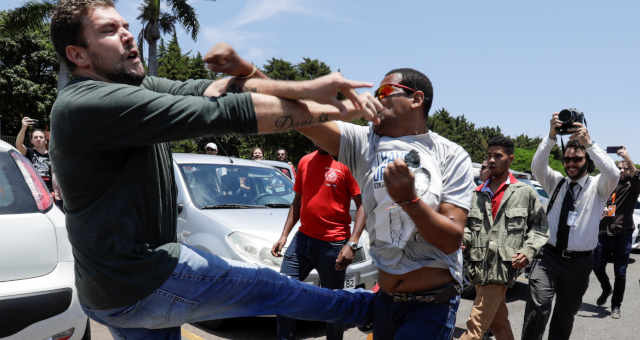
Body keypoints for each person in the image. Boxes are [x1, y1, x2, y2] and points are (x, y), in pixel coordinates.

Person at [48, 1, 381, 339]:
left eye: (124, 26)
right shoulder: (87, 105)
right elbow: (221, 112)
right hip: (140, 282)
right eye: (108, 30)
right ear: (78, 55)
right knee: (268, 286)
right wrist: (333, 109)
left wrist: (282, 82)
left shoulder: (133, 88)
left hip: (114, 289)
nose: (127, 36)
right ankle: (372, 309)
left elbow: (209, 90)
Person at [521, 113, 619, 340]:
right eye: (567, 160)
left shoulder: (599, 187)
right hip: (548, 257)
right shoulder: (556, 182)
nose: (571, 164)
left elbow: (613, 173)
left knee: (564, 316)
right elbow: (537, 167)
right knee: (538, 308)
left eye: (577, 159)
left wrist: (590, 144)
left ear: (588, 161)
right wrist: (551, 137)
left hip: (579, 263)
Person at [271, 147, 366, 340]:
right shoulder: (305, 161)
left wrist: (353, 242)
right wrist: (284, 236)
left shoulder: (347, 163)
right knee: (284, 292)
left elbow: (363, 204)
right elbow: (297, 202)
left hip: (334, 245)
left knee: (333, 305)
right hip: (302, 241)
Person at [460, 136, 548, 340]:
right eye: (489, 156)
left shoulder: (524, 193)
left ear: (510, 159)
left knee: (475, 328)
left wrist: (528, 251)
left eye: (497, 156)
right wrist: (461, 240)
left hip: (501, 270)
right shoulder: (476, 194)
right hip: (477, 269)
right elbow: (468, 228)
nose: (491, 160)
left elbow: (540, 228)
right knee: (499, 325)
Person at [593, 146, 639, 319]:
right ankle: (606, 289)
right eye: (619, 167)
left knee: (620, 272)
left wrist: (627, 157)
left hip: (623, 234)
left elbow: (637, 176)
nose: (621, 170)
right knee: (597, 266)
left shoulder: (632, 185)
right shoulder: (608, 182)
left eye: (625, 168)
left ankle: (616, 305)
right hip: (603, 232)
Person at [15, 116, 53, 193]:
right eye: (35, 137)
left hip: (49, 192)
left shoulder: (52, 155)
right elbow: (19, 144)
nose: (38, 139)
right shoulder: (29, 152)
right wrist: (23, 128)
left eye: (41, 137)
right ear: (31, 141)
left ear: (46, 141)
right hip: (32, 190)